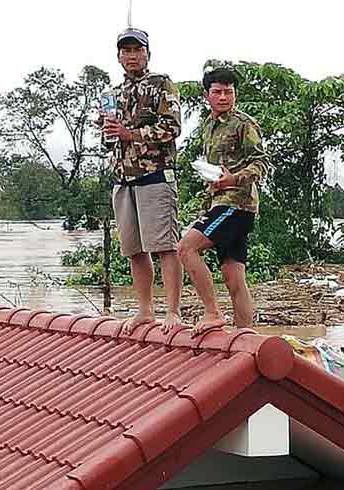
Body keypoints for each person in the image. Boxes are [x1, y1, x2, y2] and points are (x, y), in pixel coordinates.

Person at [102, 27, 184, 333]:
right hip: (122, 179)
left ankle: (173, 312)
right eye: (126, 51)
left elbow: (172, 128)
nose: (131, 56)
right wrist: (109, 130)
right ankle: (145, 310)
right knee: (134, 250)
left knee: (165, 246)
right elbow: (108, 141)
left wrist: (130, 133)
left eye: (137, 50)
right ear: (119, 56)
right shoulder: (113, 93)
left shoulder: (162, 84)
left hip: (155, 176)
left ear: (147, 53)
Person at [177, 66, 267, 336]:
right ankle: (245, 337)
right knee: (233, 276)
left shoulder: (243, 123)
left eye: (229, 91)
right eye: (218, 92)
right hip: (219, 202)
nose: (224, 97)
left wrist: (234, 179)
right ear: (207, 95)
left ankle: (213, 313)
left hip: (236, 204)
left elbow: (261, 163)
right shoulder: (208, 125)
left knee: (186, 248)